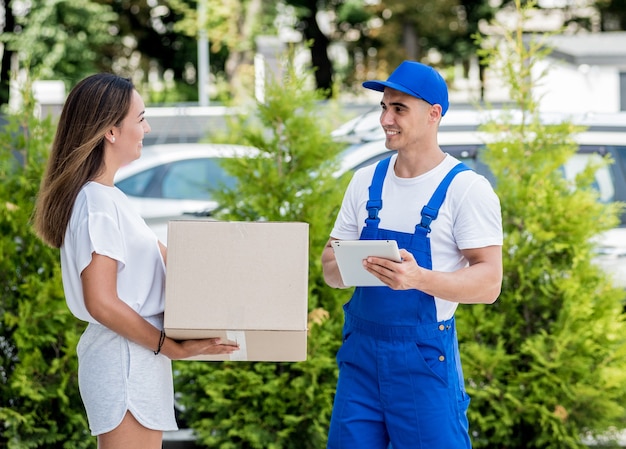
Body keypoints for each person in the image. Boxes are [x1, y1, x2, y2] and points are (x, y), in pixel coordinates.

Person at [33, 73, 239, 449]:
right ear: (111, 131)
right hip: (125, 359)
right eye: (141, 117)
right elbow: (102, 301)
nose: (147, 127)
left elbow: (179, 265)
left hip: (134, 357)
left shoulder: (110, 198)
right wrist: (170, 346)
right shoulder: (97, 204)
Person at [321, 60, 503, 449]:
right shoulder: (365, 181)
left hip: (422, 361)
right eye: (383, 107)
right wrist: (354, 266)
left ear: (433, 114)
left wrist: (418, 279)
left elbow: (489, 283)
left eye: (399, 108)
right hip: (360, 358)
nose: (386, 118)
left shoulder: (466, 189)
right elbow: (329, 268)